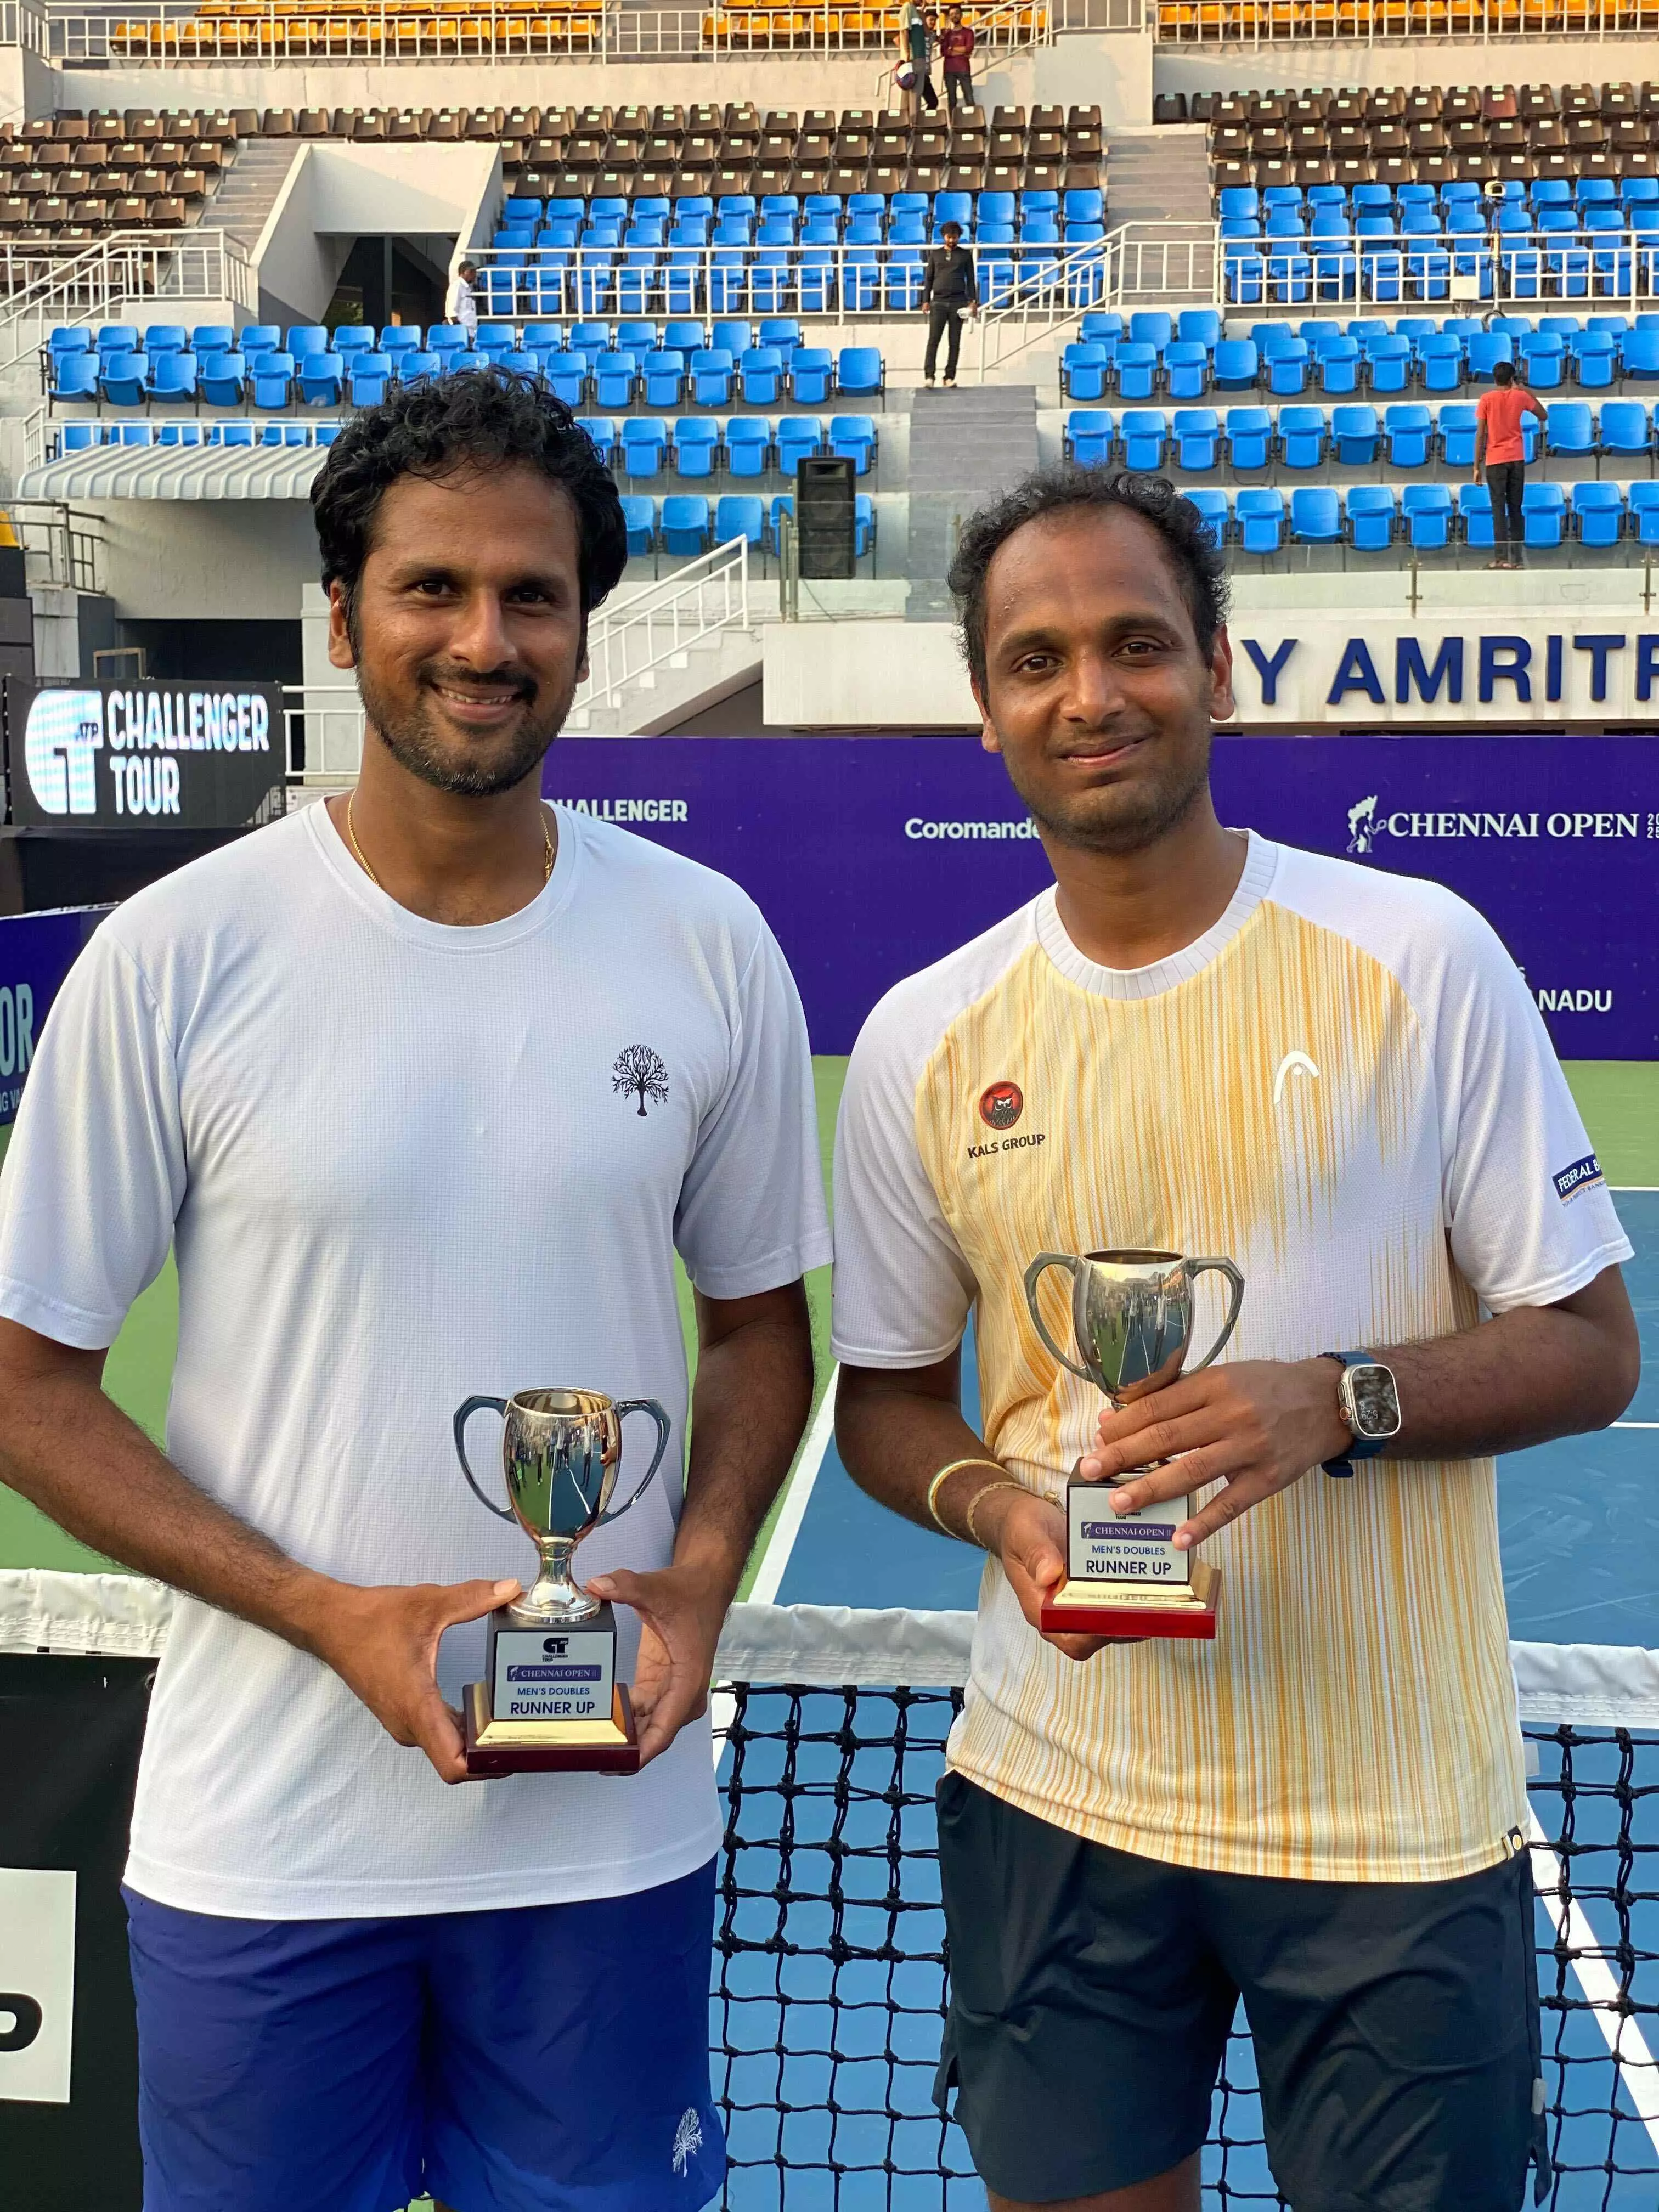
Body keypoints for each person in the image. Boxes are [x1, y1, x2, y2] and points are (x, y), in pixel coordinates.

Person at [0, 369, 831, 2212]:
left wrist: (700, 1575)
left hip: (605, 1841)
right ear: (341, 615)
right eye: (431, 589)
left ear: (584, 627)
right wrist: (329, 1615)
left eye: (533, 595)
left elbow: (760, 1330)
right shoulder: (172, 958)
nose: (484, 640)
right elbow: (23, 1383)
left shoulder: (709, 946)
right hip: (268, 1840)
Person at [831, 465, 1638, 2212]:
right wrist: (998, 1507)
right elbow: (885, 1403)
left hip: (1393, 1820)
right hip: (1056, 1796)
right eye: (1037, 659)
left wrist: (1340, 1400)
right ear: (984, 707)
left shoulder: (1421, 955)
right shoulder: (922, 1039)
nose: (1090, 693)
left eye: (1136, 643)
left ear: (1217, 665)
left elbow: (1592, 1346)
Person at [1474, 356, 1544, 571]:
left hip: (1495, 460)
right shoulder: (1520, 396)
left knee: (1498, 510)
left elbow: (1481, 434)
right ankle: (1518, 560)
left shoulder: (1486, 399)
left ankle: (1501, 558)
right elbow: (1543, 415)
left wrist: (1476, 466)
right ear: (1512, 379)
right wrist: (1524, 389)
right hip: (1516, 458)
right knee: (1516, 509)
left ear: (1495, 379)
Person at [921, 219, 979, 388]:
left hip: (958, 302)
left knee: (954, 342)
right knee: (934, 341)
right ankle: (929, 376)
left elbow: (971, 279)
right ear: (944, 237)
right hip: (938, 302)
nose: (952, 240)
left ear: (959, 237)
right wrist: (925, 300)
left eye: (955, 237)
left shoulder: (965, 255)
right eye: (949, 237)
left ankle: (949, 377)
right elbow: (929, 279)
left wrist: (973, 301)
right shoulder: (935, 255)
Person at [939, 4, 976, 110]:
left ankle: (972, 119)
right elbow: (943, 51)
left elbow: (969, 49)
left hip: (964, 69)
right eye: (951, 14)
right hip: (949, 70)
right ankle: (952, 120)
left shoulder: (968, 32)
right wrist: (962, 51)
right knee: (952, 100)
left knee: (969, 98)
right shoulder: (947, 34)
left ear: (961, 15)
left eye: (956, 13)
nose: (954, 16)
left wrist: (951, 48)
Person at [445, 256, 479, 338]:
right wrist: (459, 332)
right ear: (464, 272)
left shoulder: (468, 288)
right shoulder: (457, 286)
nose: (474, 275)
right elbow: (452, 312)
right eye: (471, 272)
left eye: (475, 272)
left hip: (471, 331)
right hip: (462, 332)